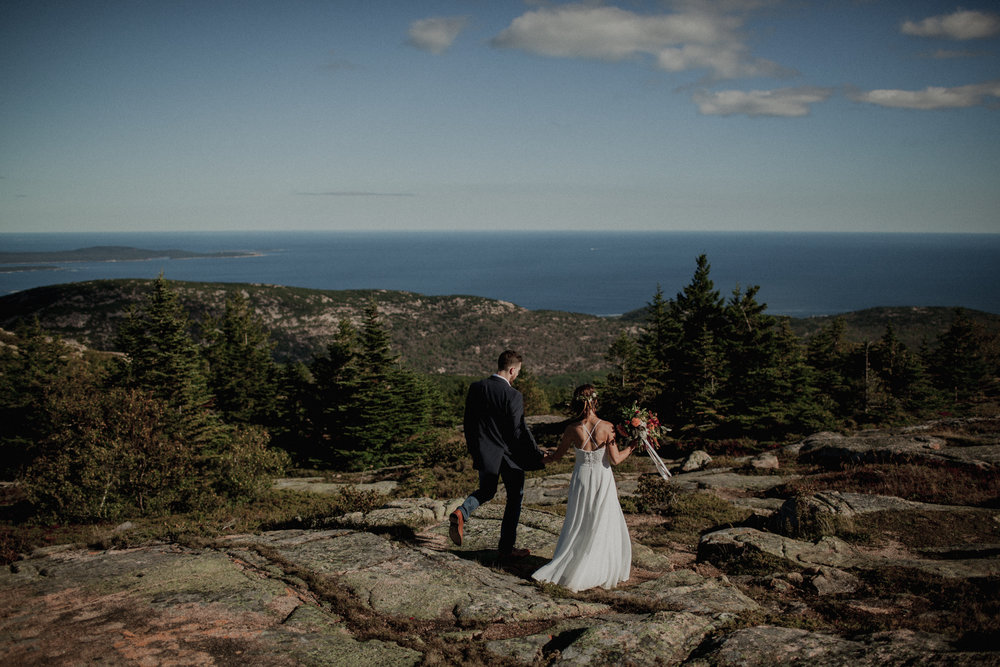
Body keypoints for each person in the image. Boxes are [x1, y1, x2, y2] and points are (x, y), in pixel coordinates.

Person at [532, 384, 635, 592]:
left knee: (579, 520)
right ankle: (596, 566)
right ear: (595, 402)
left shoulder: (571, 429)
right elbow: (615, 460)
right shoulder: (607, 427)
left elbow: (557, 456)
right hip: (601, 478)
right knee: (600, 520)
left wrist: (542, 458)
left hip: (581, 478)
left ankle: (571, 563)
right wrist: (633, 446)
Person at [450, 350, 545, 559]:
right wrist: (537, 454)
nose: (517, 375)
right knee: (514, 500)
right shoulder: (513, 395)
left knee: (486, 490)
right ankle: (506, 547)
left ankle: (462, 512)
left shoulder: (476, 388)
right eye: (517, 372)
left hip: (486, 453)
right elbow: (519, 430)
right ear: (512, 370)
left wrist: (475, 450)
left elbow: (469, 423)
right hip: (510, 457)